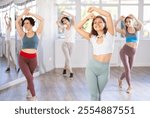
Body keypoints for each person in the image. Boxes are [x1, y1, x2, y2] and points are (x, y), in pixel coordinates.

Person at [76, 7, 114, 100]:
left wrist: (95, 9)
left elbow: (108, 15)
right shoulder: (92, 37)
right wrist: (88, 17)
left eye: (100, 22)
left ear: (105, 24)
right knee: (94, 96)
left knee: (98, 95)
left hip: (104, 70)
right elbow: (77, 27)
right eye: (95, 23)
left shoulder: (110, 34)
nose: (97, 23)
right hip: (92, 68)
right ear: (93, 26)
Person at [16, 8, 44, 101]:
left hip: (33, 59)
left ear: (31, 24)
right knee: (30, 77)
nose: (25, 24)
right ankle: (34, 96)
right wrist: (23, 13)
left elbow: (42, 20)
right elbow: (16, 22)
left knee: (30, 77)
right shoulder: (22, 34)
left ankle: (28, 90)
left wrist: (30, 13)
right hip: (23, 58)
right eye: (24, 23)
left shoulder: (37, 33)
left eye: (27, 23)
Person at [115, 15, 142, 94]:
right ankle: (130, 86)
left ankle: (120, 79)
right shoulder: (125, 31)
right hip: (124, 51)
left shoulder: (136, 29)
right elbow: (114, 27)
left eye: (129, 21)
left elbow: (141, 25)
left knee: (129, 70)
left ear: (132, 21)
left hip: (133, 52)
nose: (127, 23)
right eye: (126, 22)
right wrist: (119, 19)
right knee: (127, 69)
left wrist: (134, 17)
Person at [56, 11, 76, 79]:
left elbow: (73, 16)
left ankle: (64, 69)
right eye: (63, 21)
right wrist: (61, 16)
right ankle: (71, 72)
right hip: (65, 44)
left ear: (68, 20)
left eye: (65, 20)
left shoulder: (73, 25)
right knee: (68, 58)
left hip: (72, 44)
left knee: (68, 59)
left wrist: (65, 13)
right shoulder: (64, 27)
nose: (64, 22)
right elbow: (57, 22)